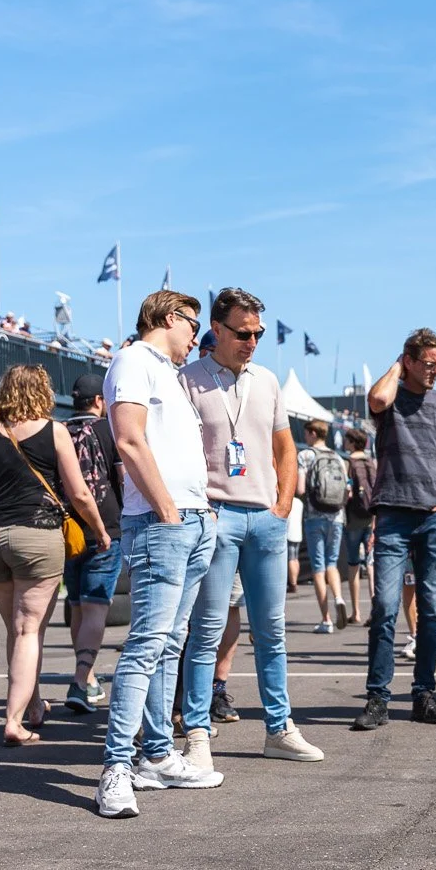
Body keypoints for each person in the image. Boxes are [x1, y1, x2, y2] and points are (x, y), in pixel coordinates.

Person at [180, 287, 320, 763]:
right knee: (207, 630)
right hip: (216, 515)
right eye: (242, 333)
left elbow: (285, 448)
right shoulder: (188, 380)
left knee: (272, 631)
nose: (252, 341)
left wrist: (282, 505)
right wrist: (205, 509)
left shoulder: (267, 381)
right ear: (216, 330)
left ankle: (279, 728)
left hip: (265, 519)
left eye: (257, 332)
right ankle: (197, 733)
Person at [94, 290, 217, 817]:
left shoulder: (167, 372)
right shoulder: (133, 361)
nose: (197, 335)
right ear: (170, 319)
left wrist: (200, 510)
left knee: (170, 643)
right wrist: (166, 506)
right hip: (162, 522)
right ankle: (116, 767)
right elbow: (129, 438)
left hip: (191, 520)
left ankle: (158, 755)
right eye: (193, 325)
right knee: (147, 644)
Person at [0, 365, 110, 746]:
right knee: (30, 628)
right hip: (37, 536)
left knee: (17, 627)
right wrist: (99, 529)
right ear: (43, 392)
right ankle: (13, 720)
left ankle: (32, 706)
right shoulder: (55, 431)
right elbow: (78, 494)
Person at [355, 328, 436, 730]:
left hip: (433, 516)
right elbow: (377, 399)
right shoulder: (389, 398)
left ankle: (424, 692)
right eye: (427, 364)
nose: (435, 372)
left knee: (430, 610)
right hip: (392, 514)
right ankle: (377, 698)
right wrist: (395, 367)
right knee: (386, 608)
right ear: (408, 361)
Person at [62, 373, 123, 714]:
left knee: (76, 605)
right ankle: (81, 680)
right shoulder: (107, 429)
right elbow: (122, 476)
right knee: (96, 606)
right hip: (106, 529)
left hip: (68, 531)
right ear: (99, 401)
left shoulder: (59, 431)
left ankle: (87, 678)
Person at [297, 419, 348, 633]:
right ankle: (338, 597)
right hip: (336, 516)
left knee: (318, 567)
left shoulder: (305, 455)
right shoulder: (337, 457)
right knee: (332, 563)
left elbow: (300, 489)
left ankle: (326, 619)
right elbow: (346, 489)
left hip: (314, 515)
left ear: (311, 433)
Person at [338, 426, 375, 617]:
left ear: (352, 442)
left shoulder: (348, 463)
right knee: (371, 564)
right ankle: (375, 610)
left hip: (353, 519)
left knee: (353, 565)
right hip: (371, 517)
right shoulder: (371, 462)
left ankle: (356, 611)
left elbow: (347, 491)